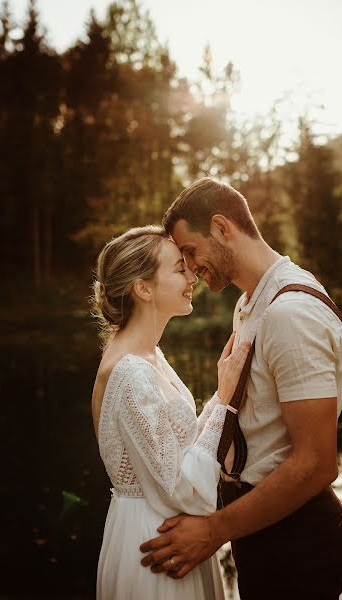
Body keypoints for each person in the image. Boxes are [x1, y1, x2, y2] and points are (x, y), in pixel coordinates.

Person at [140, 178, 342, 600]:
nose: (190, 268)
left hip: (297, 537)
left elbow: (315, 463)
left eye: (190, 251)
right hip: (260, 525)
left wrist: (212, 531)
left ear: (221, 227)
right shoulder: (252, 303)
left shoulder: (291, 313)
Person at [90, 224, 250, 600]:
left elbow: (176, 450)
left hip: (167, 529)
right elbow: (182, 492)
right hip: (156, 546)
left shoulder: (149, 355)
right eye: (180, 269)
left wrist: (217, 398)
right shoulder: (128, 372)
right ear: (143, 288)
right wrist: (225, 403)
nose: (193, 275)